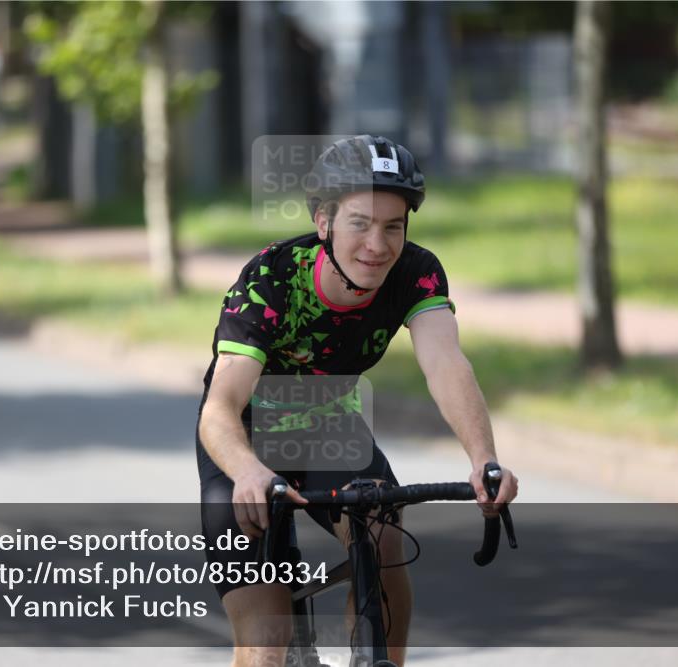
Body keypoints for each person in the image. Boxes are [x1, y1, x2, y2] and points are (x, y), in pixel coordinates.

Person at [196, 134, 518, 667]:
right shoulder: (272, 279)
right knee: (265, 639)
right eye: (360, 223)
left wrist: (482, 456)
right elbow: (221, 406)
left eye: (393, 226)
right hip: (246, 438)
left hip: (327, 425)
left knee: (384, 542)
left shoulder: (416, 272)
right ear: (324, 222)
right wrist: (248, 472)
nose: (378, 244)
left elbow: (445, 362)